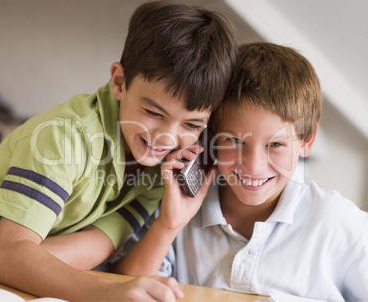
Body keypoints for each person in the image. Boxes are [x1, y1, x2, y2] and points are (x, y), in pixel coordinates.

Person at [0, 1, 238, 300]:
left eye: (192, 125)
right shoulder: (66, 136)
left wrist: (3, 258)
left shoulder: (160, 164)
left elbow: (102, 243)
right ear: (119, 82)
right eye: (153, 112)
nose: (166, 138)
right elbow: (12, 256)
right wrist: (108, 294)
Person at [111, 42, 368, 302]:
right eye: (234, 141)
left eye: (275, 144)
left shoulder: (343, 229)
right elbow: (120, 289)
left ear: (306, 141)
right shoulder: (178, 207)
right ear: (210, 138)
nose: (254, 166)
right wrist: (168, 226)